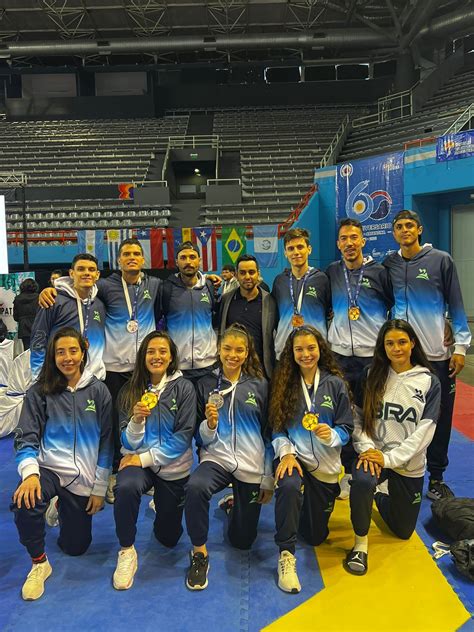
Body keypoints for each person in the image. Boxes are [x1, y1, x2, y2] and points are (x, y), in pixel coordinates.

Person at [39, 239, 162, 503]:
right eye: (126, 254)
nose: (132, 257)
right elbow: (77, 290)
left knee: (146, 417)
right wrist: (50, 289)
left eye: (136, 254)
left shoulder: (154, 285)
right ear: (118, 260)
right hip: (114, 369)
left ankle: (146, 469)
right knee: (116, 422)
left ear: (143, 259)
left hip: (144, 369)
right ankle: (114, 474)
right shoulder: (105, 287)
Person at [11, 327, 112, 601]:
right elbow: (25, 438)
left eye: (73, 351)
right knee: (25, 500)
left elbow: (106, 443)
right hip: (49, 469)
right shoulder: (40, 391)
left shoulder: (99, 391)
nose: (67, 357)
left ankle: (61, 505)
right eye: (60, 352)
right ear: (53, 356)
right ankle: (39, 562)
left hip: (84, 478)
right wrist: (30, 475)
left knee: (76, 547)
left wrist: (100, 487)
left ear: (83, 353)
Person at [384, 210, 470, 500]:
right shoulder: (389, 264)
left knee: (439, 417)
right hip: (401, 357)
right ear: (394, 233)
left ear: (419, 229)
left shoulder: (440, 260)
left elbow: (456, 304)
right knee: (398, 414)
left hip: (435, 354)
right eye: (399, 227)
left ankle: (436, 477)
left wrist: (459, 347)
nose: (405, 230)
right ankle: (394, 468)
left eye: (410, 225)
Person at [344, 319, 441, 576]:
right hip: (372, 456)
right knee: (363, 481)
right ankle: (360, 545)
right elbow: (358, 417)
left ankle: (380, 495)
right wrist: (366, 449)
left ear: (413, 343)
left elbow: (425, 431)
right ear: (382, 347)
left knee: (402, 531)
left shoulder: (429, 382)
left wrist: (389, 459)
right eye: (389, 343)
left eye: (401, 342)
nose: (396, 348)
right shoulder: (370, 375)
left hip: (407, 463)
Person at [184, 324, 273, 590]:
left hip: (251, 463)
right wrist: (209, 426)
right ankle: (199, 553)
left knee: (243, 540)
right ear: (218, 350)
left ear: (247, 353)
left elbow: (268, 433)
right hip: (217, 457)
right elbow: (200, 438)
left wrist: (267, 476)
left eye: (239, 350)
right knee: (195, 487)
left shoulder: (259, 385)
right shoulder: (206, 384)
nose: (232, 355)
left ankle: (235, 505)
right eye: (227, 349)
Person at [269, 325, 353, 593]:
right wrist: (287, 453)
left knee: (316, 536)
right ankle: (286, 555)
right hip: (295, 457)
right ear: (291, 353)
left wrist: (331, 435)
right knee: (289, 484)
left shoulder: (335, 384)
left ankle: (303, 507)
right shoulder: (284, 383)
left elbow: (347, 429)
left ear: (321, 349)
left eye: (311, 348)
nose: (305, 354)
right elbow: (277, 429)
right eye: (299, 349)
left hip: (326, 467)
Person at [112, 331, 196, 590]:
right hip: (139, 461)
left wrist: (144, 458)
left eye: (162, 351)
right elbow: (126, 443)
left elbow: (183, 437)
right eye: (151, 351)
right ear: (142, 356)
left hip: (171, 467)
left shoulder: (184, 388)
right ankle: (126, 551)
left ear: (171, 357)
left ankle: (161, 503)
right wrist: (136, 421)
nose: (156, 356)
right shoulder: (130, 390)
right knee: (124, 486)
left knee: (169, 538)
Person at [326, 219, 393, 496]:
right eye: (344, 238)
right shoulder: (331, 272)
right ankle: (350, 472)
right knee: (345, 416)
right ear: (338, 244)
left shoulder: (379, 273)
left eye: (354, 237)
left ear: (363, 241)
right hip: (339, 356)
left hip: (371, 358)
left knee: (375, 414)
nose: (349, 243)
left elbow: (395, 305)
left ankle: (380, 472)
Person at [30, 254, 106, 382]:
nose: (86, 273)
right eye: (81, 269)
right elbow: (38, 340)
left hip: (92, 379)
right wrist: (38, 378)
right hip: (58, 378)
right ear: (71, 273)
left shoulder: (99, 305)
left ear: (97, 275)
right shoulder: (53, 301)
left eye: (91, 270)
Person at [160, 241, 218, 384]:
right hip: (177, 367)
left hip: (208, 365)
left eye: (192, 257)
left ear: (199, 260)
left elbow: (215, 320)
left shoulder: (209, 287)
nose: (188, 262)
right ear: (176, 262)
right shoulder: (166, 288)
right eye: (183, 258)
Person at [272, 228, 330, 360]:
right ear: (285, 253)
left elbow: (329, 311)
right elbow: (275, 317)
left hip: (314, 352)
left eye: (300, 247)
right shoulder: (279, 281)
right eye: (291, 249)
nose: (296, 252)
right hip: (285, 351)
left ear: (309, 249)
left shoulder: (322, 279)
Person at [218, 254, 278, 378]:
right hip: (232, 367)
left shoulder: (270, 301)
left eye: (251, 272)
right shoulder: (226, 300)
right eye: (243, 273)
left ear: (258, 273)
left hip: (261, 370)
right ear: (236, 275)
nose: (247, 277)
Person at [13, 278, 40, 351]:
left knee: (27, 351)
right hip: (37, 327)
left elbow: (15, 317)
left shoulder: (17, 299)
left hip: (23, 328)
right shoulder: (39, 297)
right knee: (38, 351)